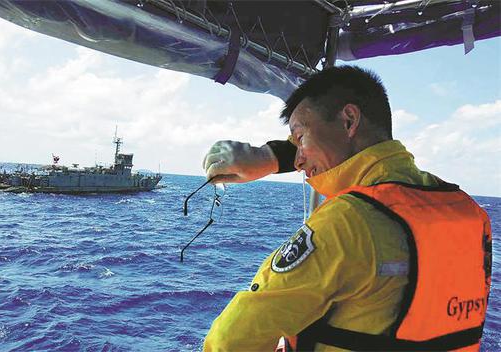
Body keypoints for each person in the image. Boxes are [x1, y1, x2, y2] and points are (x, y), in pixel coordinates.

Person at [202, 66, 491, 351]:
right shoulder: (470, 212)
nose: (299, 161)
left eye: (300, 139)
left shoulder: (348, 222)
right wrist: (270, 157)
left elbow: (230, 342)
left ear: (349, 121)